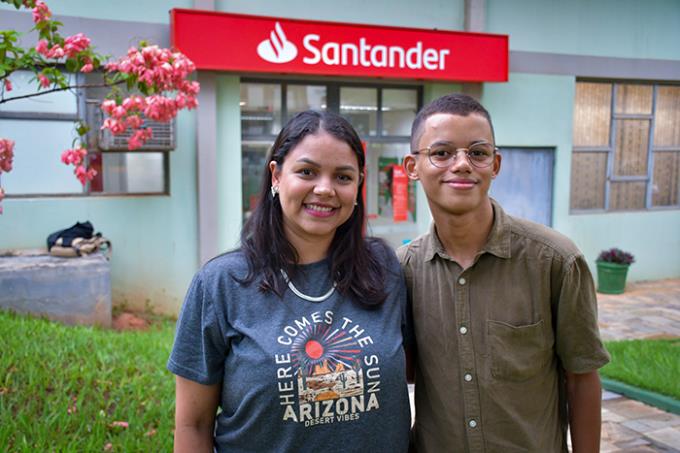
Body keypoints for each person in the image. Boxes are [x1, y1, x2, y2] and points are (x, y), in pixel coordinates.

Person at [168, 110, 412, 452]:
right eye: (307, 172)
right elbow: (193, 425)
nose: (324, 189)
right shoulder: (221, 283)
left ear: (358, 184)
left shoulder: (383, 268)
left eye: (342, 177)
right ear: (276, 176)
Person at [397, 94, 610, 453]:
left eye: (477, 153)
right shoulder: (402, 270)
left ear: (494, 164)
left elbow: (582, 377)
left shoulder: (555, 261)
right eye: (442, 152)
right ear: (412, 166)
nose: (462, 164)